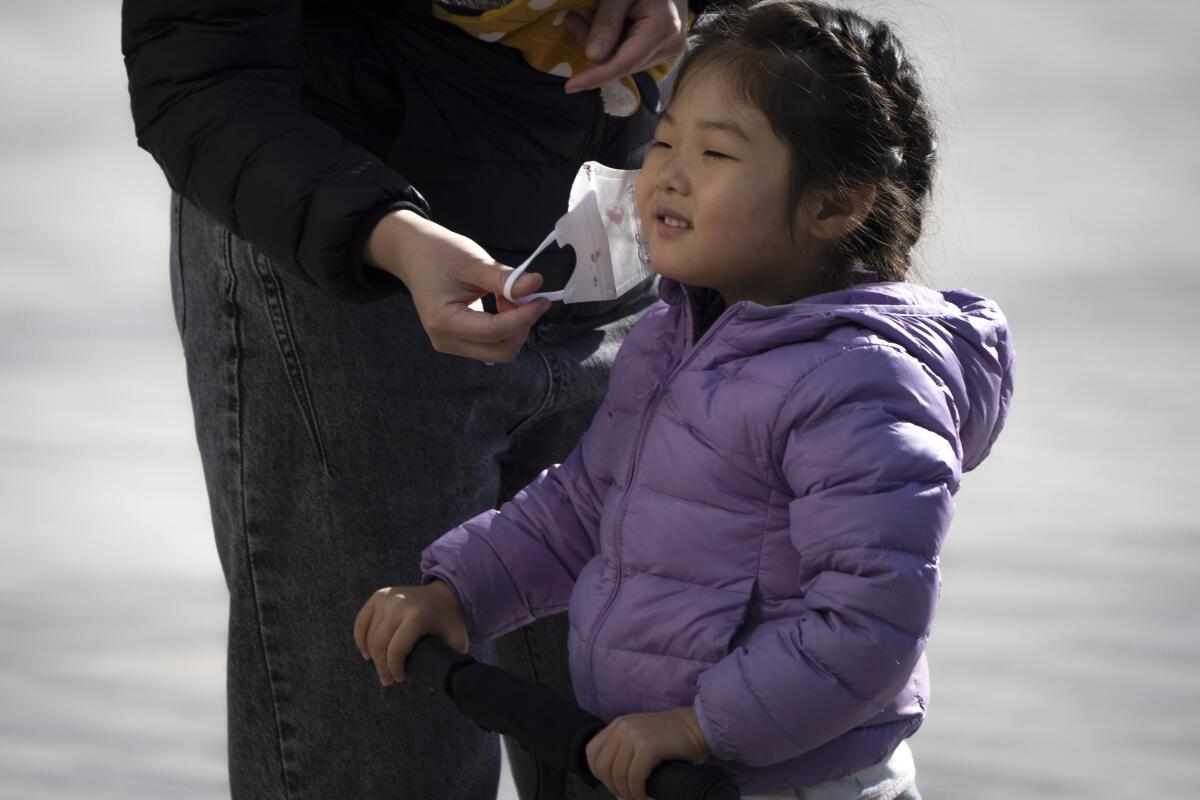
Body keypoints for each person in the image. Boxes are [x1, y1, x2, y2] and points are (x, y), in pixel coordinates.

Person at [354, 1, 1016, 798]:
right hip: (667, 767)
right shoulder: (676, 333)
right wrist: (459, 591)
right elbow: (584, 506)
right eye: (665, 139)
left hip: (789, 780)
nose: (667, 170)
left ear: (838, 204)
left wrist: (701, 725)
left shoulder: (861, 384)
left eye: (715, 152)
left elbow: (869, 630)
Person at [120, 0, 702, 797]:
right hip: (352, 262)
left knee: (643, 747)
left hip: (613, 235)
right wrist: (386, 234)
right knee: (391, 750)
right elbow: (196, 69)